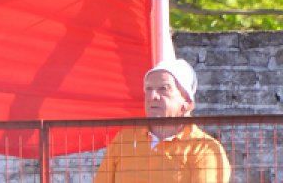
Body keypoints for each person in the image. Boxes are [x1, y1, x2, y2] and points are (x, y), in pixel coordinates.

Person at [94, 59, 232, 182]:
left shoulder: (204, 148)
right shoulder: (124, 140)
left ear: (187, 102)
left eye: (163, 89)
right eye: (148, 89)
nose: (152, 96)